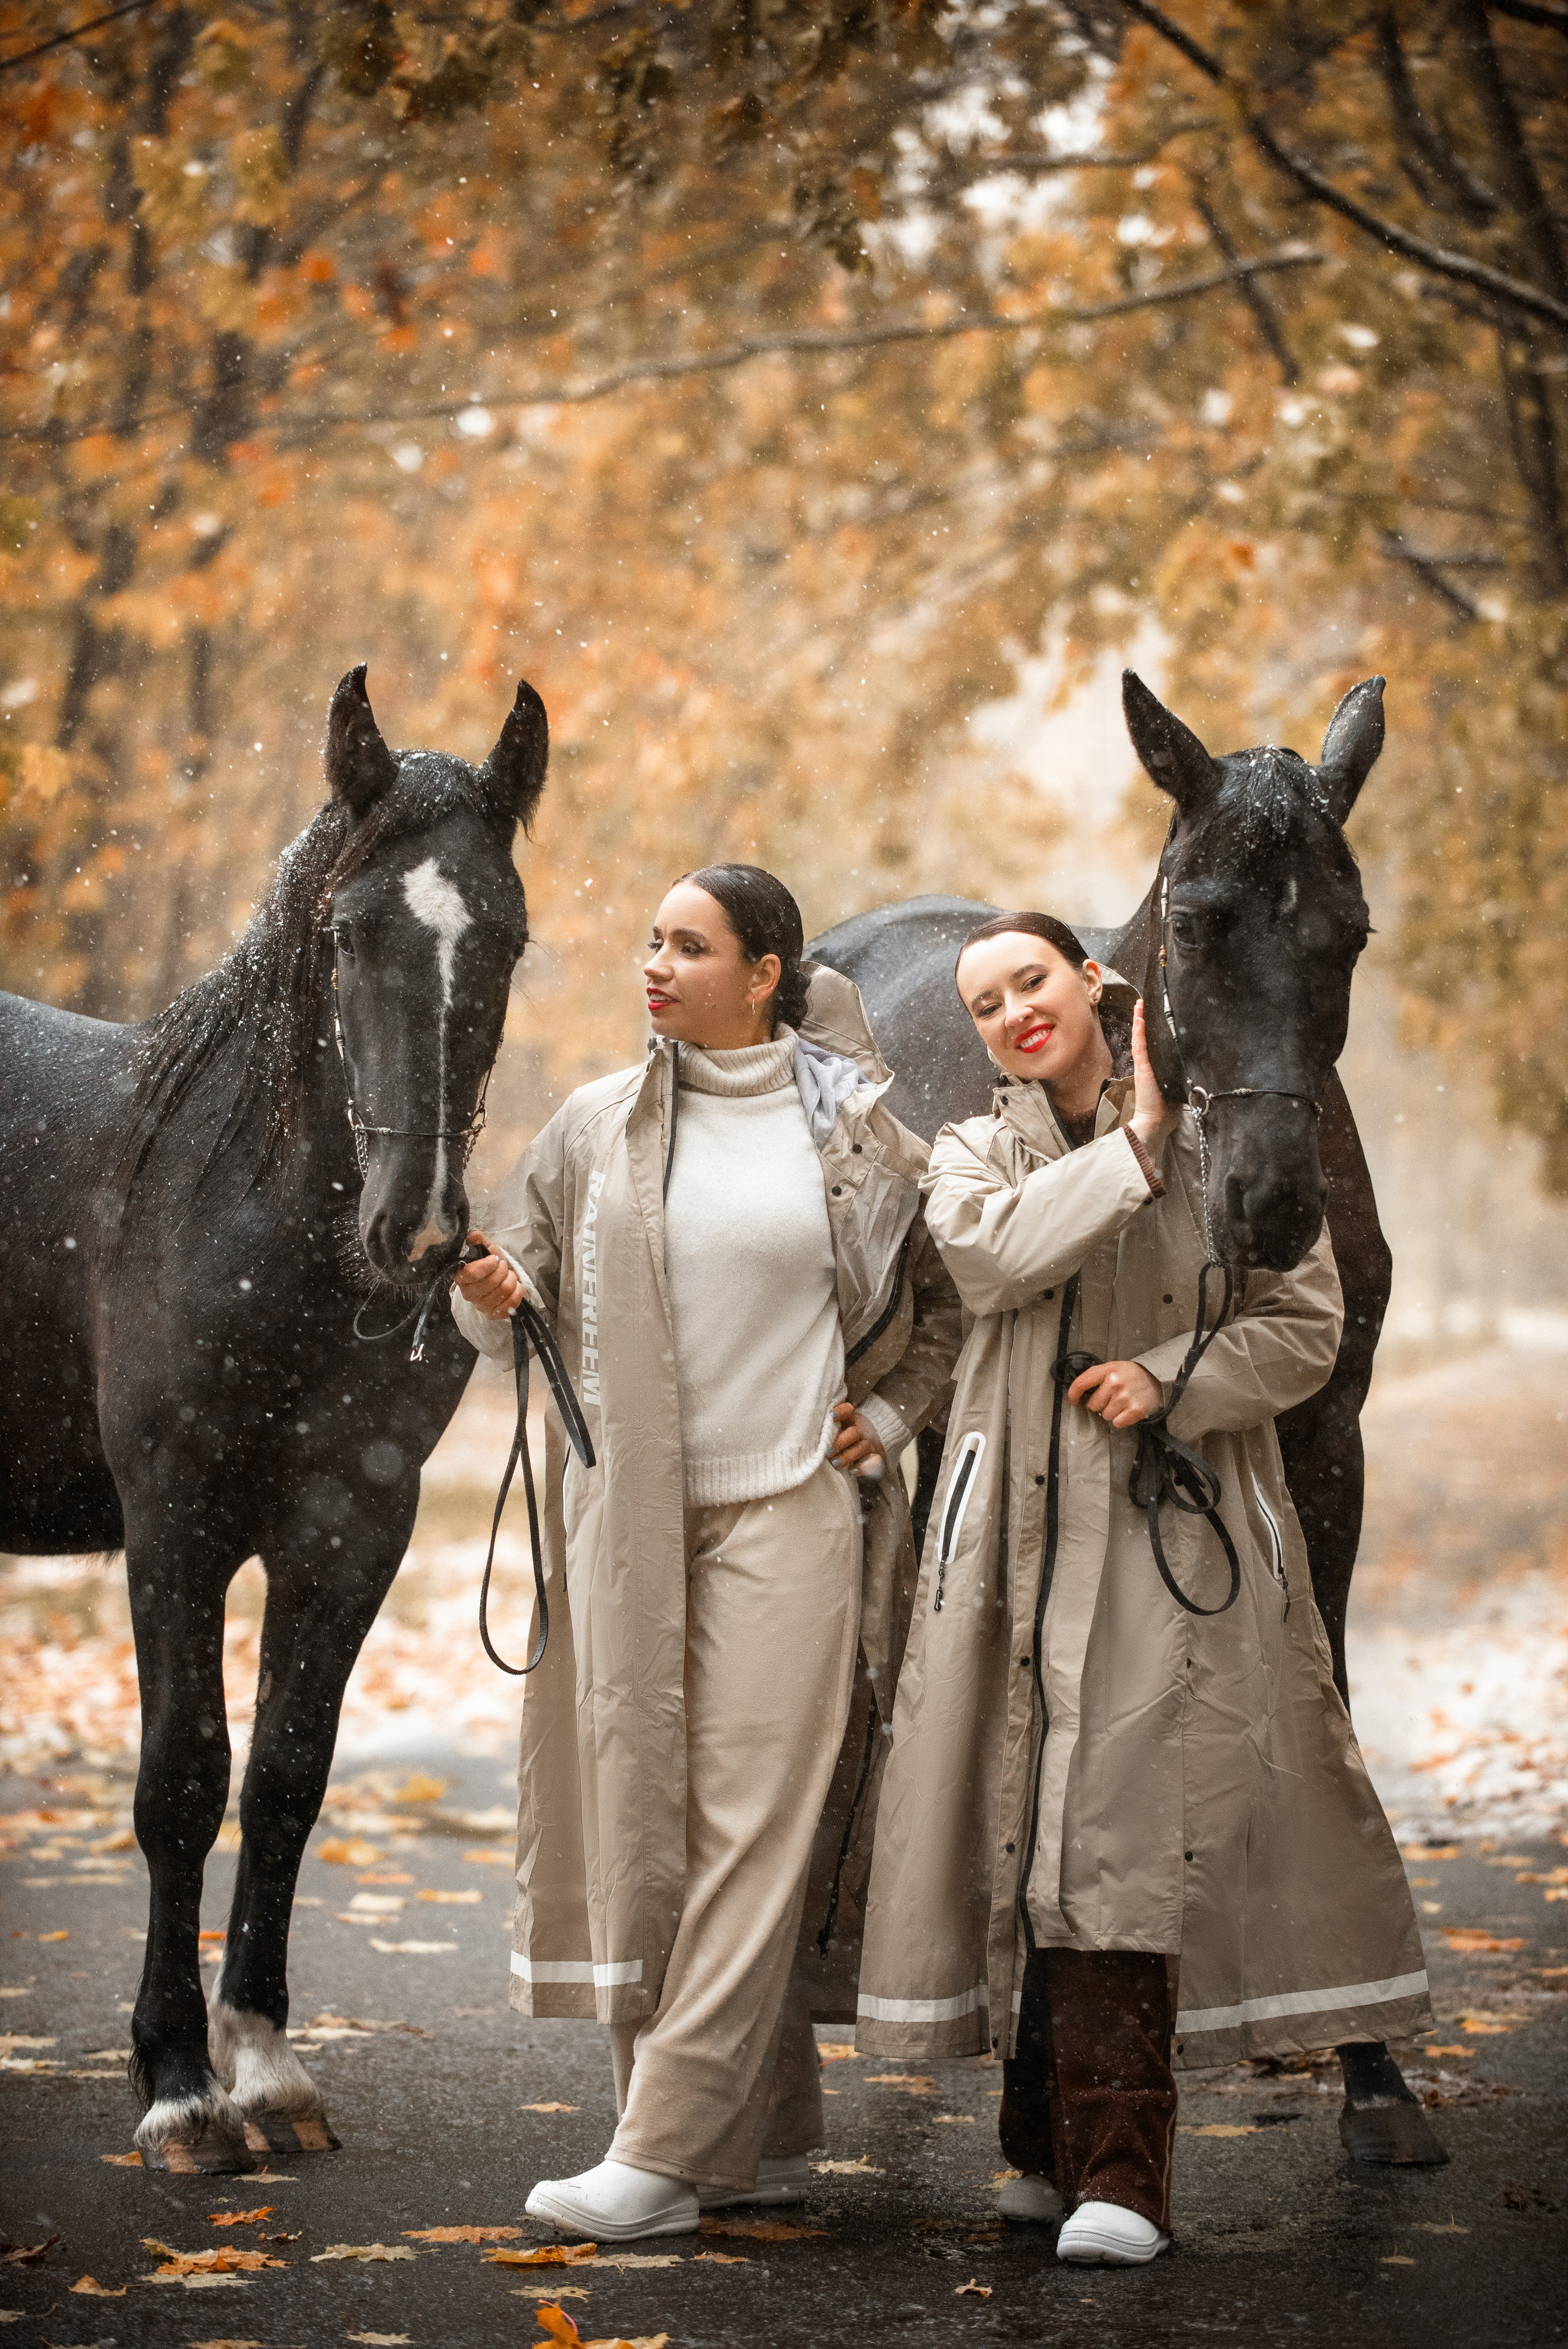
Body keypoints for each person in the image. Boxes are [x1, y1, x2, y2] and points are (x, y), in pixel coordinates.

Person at [854, 912, 1430, 2266]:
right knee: (1018, 1830)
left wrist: (1174, 1378)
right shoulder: (974, 1149)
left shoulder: (1229, 1149)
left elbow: (1303, 1324)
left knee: (1111, 1830)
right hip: (1000, 1546)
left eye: (1029, 980)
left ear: (1092, 982)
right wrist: (1133, 1152)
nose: (1008, 1013)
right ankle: (1035, 2148)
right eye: (984, 1001)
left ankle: (1124, 2170)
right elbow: (993, 1256)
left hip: (1154, 1538)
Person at [451, 864, 960, 2241]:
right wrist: (495, 1288)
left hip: (793, 1509)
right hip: (628, 1518)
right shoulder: (589, 1127)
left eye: (689, 945)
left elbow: (938, 1314)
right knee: (651, 1825)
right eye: (650, 940)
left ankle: (658, 2150)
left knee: (752, 1836)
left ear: (764, 970)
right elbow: (512, 1313)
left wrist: (894, 1414)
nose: (654, 966)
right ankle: (757, 2133)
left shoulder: (860, 1135)